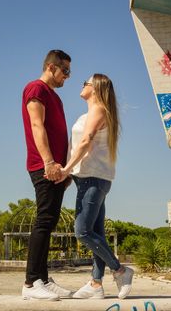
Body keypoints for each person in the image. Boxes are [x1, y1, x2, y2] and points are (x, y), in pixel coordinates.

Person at [57, 74, 134, 299]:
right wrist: (73, 173)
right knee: (96, 233)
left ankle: (120, 270)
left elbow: (86, 140)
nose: (82, 85)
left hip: (93, 179)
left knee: (82, 232)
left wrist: (65, 169)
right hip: (89, 178)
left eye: (86, 82)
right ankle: (96, 284)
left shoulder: (99, 109)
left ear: (96, 88)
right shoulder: (90, 113)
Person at [20, 49, 74, 301]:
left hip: (57, 170)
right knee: (44, 220)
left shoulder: (56, 98)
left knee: (50, 221)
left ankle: (42, 279)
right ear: (51, 67)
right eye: (65, 71)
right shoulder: (36, 89)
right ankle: (31, 283)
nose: (68, 76)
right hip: (44, 166)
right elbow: (36, 125)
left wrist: (66, 169)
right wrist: (49, 161)